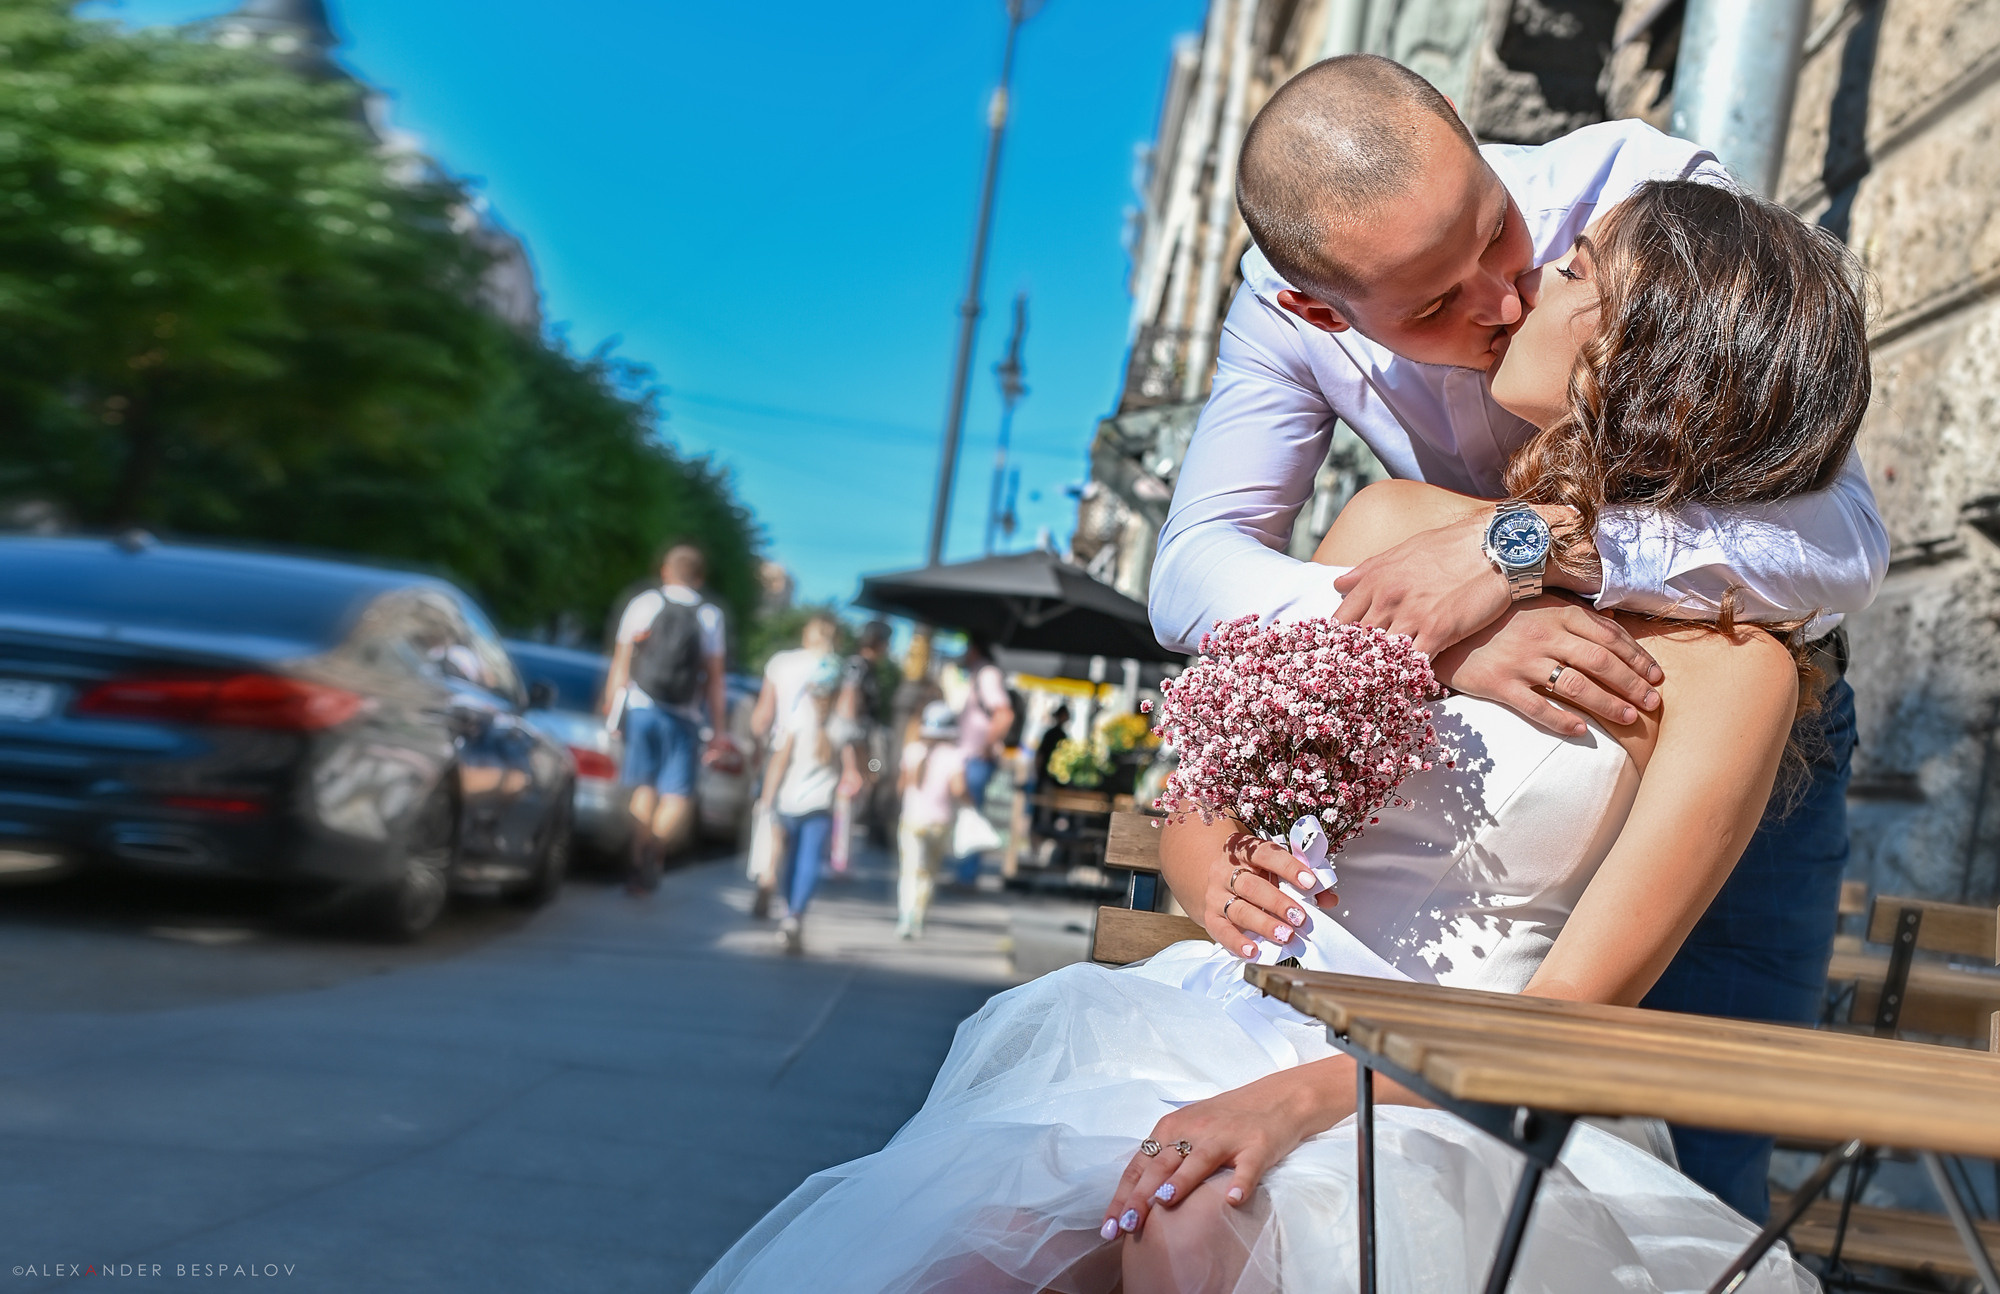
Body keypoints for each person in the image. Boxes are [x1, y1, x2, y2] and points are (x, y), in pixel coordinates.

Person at [693, 175, 1867, 1293]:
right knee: (977, 1247)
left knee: (1191, 1227)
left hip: (1446, 1089)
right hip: (1223, 1015)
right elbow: (1209, 798)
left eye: (1570, 270)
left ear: (1639, 345)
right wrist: (1220, 881)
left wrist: (1300, 1101)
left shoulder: (1731, 669)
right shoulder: (1395, 521)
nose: (1520, 291)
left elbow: (1567, 1017)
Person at [1148, 55, 1883, 1218]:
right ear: (1319, 311)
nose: (1500, 299)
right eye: (1432, 305)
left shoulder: (1636, 199)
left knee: (1704, 1149)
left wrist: (1517, 547)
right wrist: (1435, 643)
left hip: (1729, 722)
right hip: (1398, 896)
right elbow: (1191, 568)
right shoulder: (1310, 372)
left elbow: (1843, 543)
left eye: (1502, 237)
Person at [600, 543, 733, 893]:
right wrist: (718, 729)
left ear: (664, 572)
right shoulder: (709, 615)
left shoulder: (644, 604)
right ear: (700, 579)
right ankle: (655, 848)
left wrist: (612, 705)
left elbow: (621, 663)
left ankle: (637, 855)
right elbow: (716, 679)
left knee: (643, 787)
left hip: (642, 706)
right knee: (677, 795)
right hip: (684, 717)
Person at [747, 612, 840, 916]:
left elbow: (762, 718)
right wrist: (873, 770)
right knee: (808, 846)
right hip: (824, 761)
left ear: (805, 635)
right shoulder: (836, 669)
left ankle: (768, 873)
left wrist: (755, 746)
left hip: (782, 753)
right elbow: (859, 739)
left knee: (774, 820)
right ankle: (793, 911)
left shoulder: (782, 662)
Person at [759, 654, 845, 954]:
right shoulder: (842, 726)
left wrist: (768, 794)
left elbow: (779, 760)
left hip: (789, 801)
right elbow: (859, 765)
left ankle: (787, 911)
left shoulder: (797, 718)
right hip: (821, 804)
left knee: (789, 861)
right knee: (810, 862)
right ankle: (796, 915)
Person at [894, 700, 967, 940]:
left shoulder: (912, 750)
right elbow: (958, 790)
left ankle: (905, 917)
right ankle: (918, 917)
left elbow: (901, 786)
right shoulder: (954, 756)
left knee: (909, 871)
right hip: (940, 823)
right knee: (928, 873)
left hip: (912, 820)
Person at [949, 636, 1013, 886]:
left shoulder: (987, 674)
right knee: (968, 813)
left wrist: (986, 746)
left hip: (976, 758)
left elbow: (1004, 714)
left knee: (971, 813)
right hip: (972, 756)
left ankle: (966, 876)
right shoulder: (980, 673)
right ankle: (964, 873)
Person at [830, 620, 893, 872]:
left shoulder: (868, 668)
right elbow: (848, 700)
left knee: (875, 772)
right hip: (856, 741)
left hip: (867, 741)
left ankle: (842, 854)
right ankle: (839, 856)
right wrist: (851, 751)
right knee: (852, 787)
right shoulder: (857, 666)